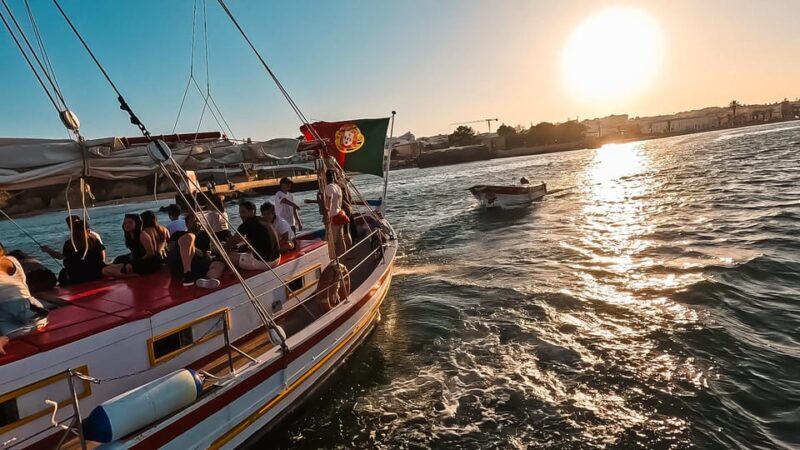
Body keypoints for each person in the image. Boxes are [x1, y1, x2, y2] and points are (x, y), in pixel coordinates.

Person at [0, 241, 48, 355]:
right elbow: (24, 286)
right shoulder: (12, 260)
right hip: (30, 307)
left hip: (11, 313)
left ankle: (6, 335)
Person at [168, 213, 224, 288]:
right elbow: (170, 249)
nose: (197, 223)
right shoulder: (178, 234)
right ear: (186, 224)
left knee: (219, 265)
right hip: (180, 265)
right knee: (190, 236)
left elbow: (207, 253)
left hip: (197, 265)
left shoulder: (204, 236)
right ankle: (187, 274)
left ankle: (205, 280)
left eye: (198, 221)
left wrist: (208, 255)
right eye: (194, 221)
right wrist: (194, 249)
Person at [224, 201, 280, 270]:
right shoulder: (264, 220)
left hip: (263, 263)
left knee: (226, 257)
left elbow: (231, 243)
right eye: (240, 213)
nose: (241, 215)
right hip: (277, 259)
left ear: (252, 211)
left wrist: (219, 250)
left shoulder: (247, 224)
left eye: (243, 212)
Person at [59, 219, 106, 285]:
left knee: (62, 273)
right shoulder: (94, 241)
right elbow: (100, 257)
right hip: (95, 273)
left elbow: (66, 261)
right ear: (87, 230)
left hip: (76, 277)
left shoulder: (68, 244)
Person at [324, 169, 348, 258]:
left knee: (332, 240)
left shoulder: (328, 187)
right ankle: (343, 257)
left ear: (326, 178)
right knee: (341, 238)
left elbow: (329, 201)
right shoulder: (337, 187)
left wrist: (327, 213)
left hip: (333, 216)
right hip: (340, 214)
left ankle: (333, 259)